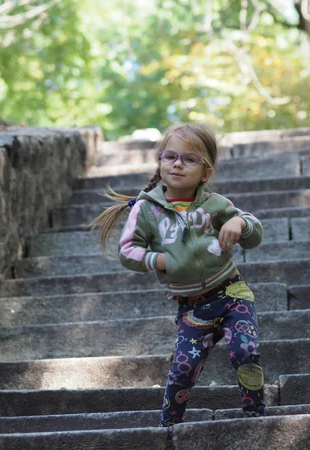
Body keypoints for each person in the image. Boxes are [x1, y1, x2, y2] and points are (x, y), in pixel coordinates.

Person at [91, 123, 266, 426]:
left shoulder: (214, 204)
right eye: (170, 156)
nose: (177, 164)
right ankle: (168, 427)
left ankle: (256, 417)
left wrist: (240, 224)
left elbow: (253, 233)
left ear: (205, 172)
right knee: (185, 368)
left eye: (189, 159)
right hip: (192, 307)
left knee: (245, 351)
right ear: (159, 161)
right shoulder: (146, 209)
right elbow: (128, 250)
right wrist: (162, 260)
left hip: (231, 293)